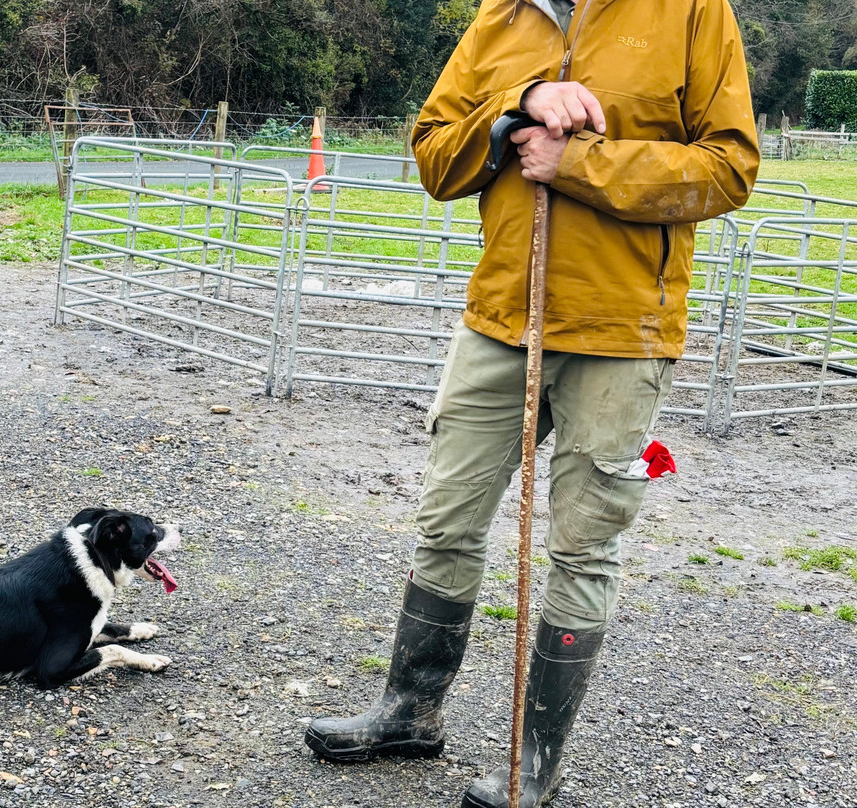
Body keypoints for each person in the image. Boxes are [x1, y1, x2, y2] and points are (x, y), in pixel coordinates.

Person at [303, 1, 760, 806]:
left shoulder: (692, 10)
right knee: (446, 522)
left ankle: (536, 761)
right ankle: (410, 711)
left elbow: (728, 168)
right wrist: (518, 105)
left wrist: (577, 161)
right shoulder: (501, 14)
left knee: (583, 548)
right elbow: (436, 158)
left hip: (622, 328)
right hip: (500, 320)